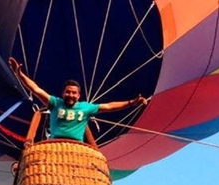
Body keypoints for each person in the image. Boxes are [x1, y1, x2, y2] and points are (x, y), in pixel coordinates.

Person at [8, 57, 148, 146]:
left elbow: (109, 106)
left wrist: (131, 103)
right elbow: (36, 89)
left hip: (77, 147)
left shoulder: (85, 108)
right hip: (55, 145)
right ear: (63, 93)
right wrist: (19, 74)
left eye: (73, 93)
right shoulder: (55, 103)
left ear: (79, 95)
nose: (70, 95)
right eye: (68, 92)